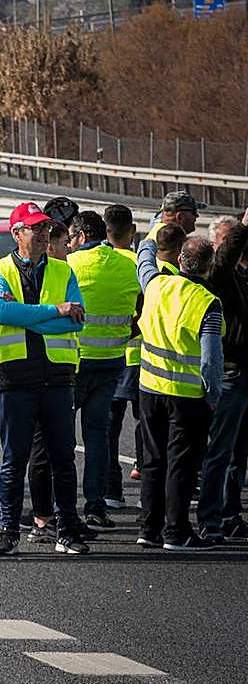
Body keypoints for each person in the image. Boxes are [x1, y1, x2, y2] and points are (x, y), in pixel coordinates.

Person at [0, 202, 88, 557]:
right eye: (36, 228)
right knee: (14, 460)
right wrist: (54, 311)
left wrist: (27, 317)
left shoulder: (63, 270)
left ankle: (67, 530)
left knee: (63, 459)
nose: (44, 233)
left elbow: (76, 320)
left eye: (46, 227)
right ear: (18, 234)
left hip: (58, 377)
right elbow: (1, 312)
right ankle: (9, 531)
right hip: (17, 377)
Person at [135, 234, 223, 551]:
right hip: (187, 396)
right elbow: (211, 360)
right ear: (210, 266)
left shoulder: (156, 285)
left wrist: (151, 235)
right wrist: (213, 396)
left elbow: (144, 262)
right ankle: (176, 532)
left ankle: (149, 528)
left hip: (149, 388)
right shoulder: (208, 303)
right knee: (181, 466)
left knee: (153, 461)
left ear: (179, 260)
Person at [66, 209, 141, 529]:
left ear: (82, 236)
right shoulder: (128, 264)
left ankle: (60, 508)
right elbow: (141, 310)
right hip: (112, 360)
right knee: (98, 436)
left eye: (71, 237)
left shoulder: (68, 265)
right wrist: (124, 333)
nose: (68, 243)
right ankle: (96, 507)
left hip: (73, 363)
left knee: (61, 438)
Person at [195, 210, 248, 541]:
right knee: (220, 451)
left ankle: (230, 515)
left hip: (244, 373)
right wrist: (243, 227)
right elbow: (227, 259)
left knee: (238, 454)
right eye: (227, 240)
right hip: (229, 374)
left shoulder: (242, 275)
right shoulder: (217, 275)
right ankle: (210, 518)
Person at [103, 204, 145, 510]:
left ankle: (111, 490)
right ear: (132, 231)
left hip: (109, 356)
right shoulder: (140, 264)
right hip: (142, 358)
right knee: (148, 425)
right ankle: (147, 487)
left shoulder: (100, 262)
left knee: (108, 428)